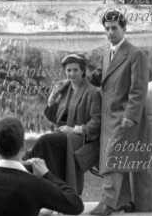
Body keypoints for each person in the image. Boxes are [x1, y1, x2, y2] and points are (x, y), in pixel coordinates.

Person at [89, 9, 150, 216]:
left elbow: (139, 88)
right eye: (107, 29)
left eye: (114, 28)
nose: (110, 32)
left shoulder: (136, 54)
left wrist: (130, 116)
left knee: (113, 156)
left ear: (124, 28)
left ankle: (107, 202)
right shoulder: (107, 52)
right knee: (115, 156)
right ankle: (124, 201)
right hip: (108, 115)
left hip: (123, 115)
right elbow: (101, 78)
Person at [26, 53, 101, 194]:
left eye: (75, 70)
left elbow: (97, 122)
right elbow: (58, 120)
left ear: (83, 71)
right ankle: (50, 192)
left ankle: (23, 166)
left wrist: (75, 129)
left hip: (81, 138)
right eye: (68, 70)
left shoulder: (92, 93)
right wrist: (51, 101)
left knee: (45, 140)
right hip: (64, 136)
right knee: (46, 149)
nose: (71, 74)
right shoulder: (66, 90)